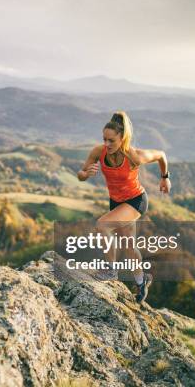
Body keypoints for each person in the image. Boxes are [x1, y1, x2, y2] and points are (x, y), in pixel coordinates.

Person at [77, 111, 171, 303]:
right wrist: (86, 174)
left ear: (122, 139)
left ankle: (111, 271)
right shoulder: (98, 152)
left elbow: (161, 155)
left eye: (111, 140)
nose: (107, 144)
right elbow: (80, 173)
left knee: (102, 225)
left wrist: (165, 178)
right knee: (129, 245)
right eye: (104, 139)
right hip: (117, 203)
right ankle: (141, 279)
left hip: (136, 201)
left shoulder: (134, 156)